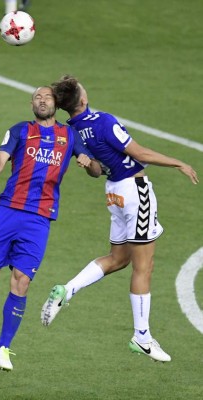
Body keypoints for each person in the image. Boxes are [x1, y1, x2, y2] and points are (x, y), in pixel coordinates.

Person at [41, 75, 199, 363]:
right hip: (135, 192)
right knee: (144, 266)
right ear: (83, 99)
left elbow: (96, 171)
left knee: (118, 259)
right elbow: (139, 153)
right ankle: (142, 337)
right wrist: (178, 162)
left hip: (114, 193)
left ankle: (67, 289)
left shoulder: (73, 131)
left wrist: (88, 163)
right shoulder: (103, 121)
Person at [0, 86, 101, 371]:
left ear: (56, 103)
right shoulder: (21, 130)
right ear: (32, 104)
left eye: (46, 96)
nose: (42, 100)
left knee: (22, 281)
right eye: (37, 97)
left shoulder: (69, 136)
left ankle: (3, 347)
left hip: (40, 218)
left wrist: (88, 163)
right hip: (9, 210)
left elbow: (97, 170)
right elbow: (0, 156)